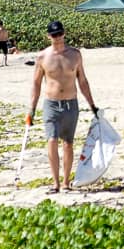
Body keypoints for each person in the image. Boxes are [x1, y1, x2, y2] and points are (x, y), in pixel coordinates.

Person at [27, 19, 99, 194]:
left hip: (70, 104)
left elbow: (82, 81)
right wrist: (32, 110)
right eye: (54, 35)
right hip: (51, 104)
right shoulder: (43, 57)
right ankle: (55, 183)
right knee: (51, 141)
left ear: (64, 33)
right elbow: (36, 84)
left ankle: (66, 182)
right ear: (48, 36)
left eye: (59, 34)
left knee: (68, 143)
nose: (57, 38)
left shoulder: (75, 55)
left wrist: (92, 105)